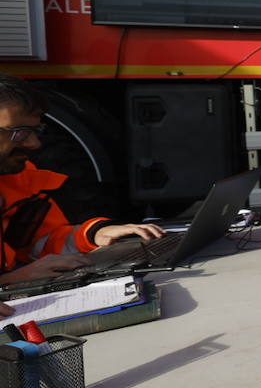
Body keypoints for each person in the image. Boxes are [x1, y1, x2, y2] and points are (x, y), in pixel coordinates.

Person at [0, 75, 164, 284]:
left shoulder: (18, 178)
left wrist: (94, 234)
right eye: (20, 133)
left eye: (35, 131)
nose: (35, 144)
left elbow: (35, 242)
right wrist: (10, 281)